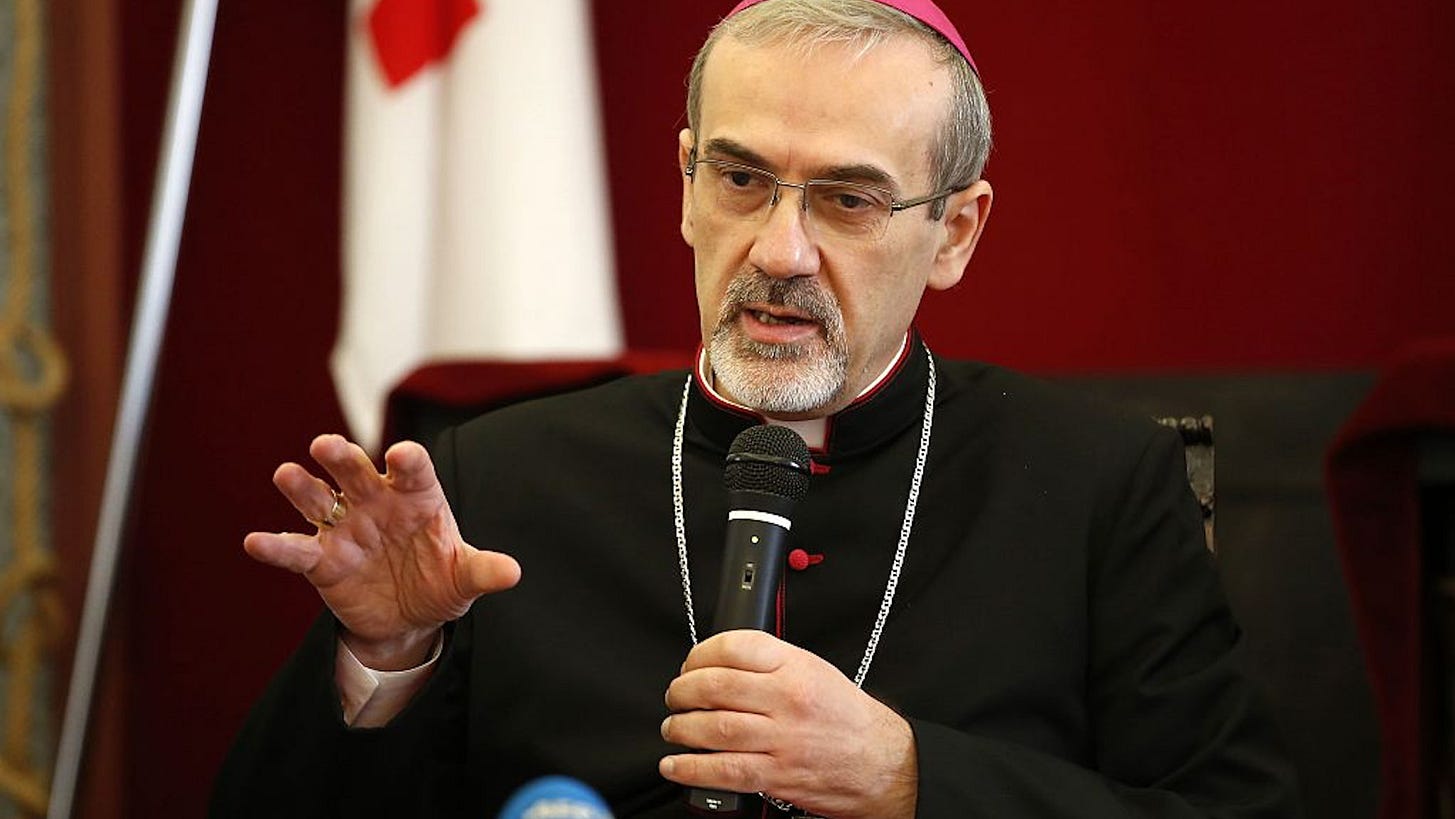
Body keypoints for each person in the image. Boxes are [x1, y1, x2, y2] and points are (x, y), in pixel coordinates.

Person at [212, 1, 1301, 817]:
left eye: (847, 198)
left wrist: (912, 778)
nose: (779, 251)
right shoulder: (495, 479)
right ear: (686, 183)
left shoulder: (1095, 487)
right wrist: (390, 658)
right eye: (739, 181)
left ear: (956, 232)